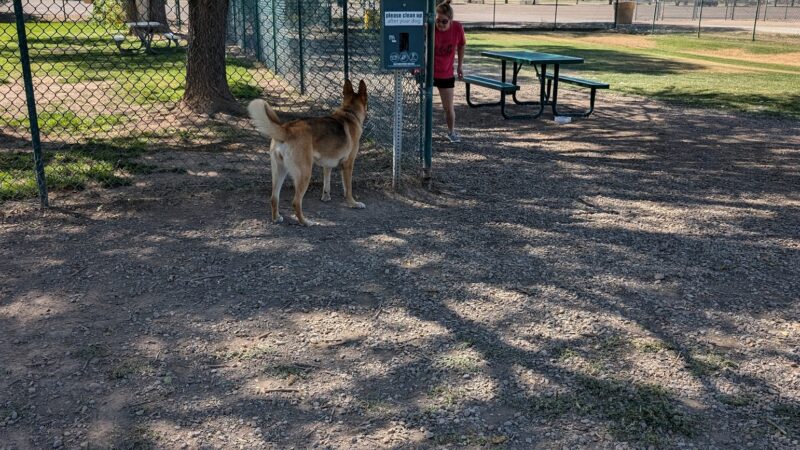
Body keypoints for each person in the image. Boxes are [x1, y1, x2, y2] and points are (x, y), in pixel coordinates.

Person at [433, 0, 465, 143]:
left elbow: (462, 44)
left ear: (451, 20)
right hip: (429, 72)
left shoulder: (457, 28)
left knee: (448, 107)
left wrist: (460, 65)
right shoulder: (430, 27)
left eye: (444, 21)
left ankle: (451, 132)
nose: (440, 24)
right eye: (437, 21)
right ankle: (423, 134)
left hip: (445, 72)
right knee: (423, 105)